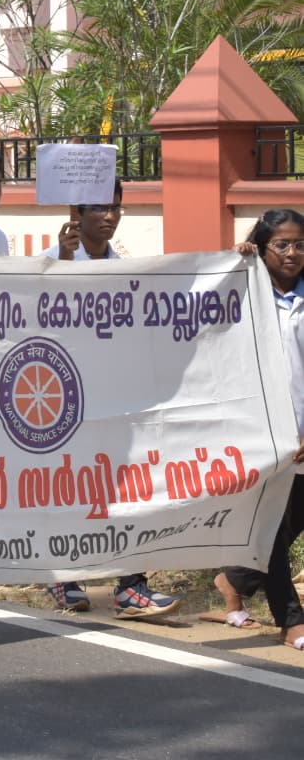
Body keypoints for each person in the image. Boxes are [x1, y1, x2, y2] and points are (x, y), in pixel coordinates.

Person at [35, 179, 181, 617]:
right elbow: (34, 315)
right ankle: (64, 579)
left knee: (128, 488)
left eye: (116, 207)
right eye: (99, 207)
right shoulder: (48, 261)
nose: (110, 216)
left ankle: (131, 586)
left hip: (117, 400)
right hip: (64, 402)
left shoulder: (126, 270)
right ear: (76, 213)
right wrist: (61, 261)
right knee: (68, 490)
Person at [208, 211, 304, 651]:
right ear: (263, 247)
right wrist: (235, 264)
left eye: (299, 244)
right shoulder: (247, 292)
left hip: (303, 431)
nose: (292, 253)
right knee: (271, 526)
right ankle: (291, 621)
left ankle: (235, 578)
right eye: (281, 244)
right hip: (263, 435)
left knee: (288, 527)